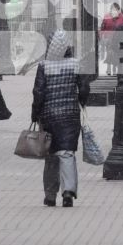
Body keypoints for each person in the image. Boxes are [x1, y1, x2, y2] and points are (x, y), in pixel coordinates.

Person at [31, 30, 84, 207]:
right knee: (67, 153)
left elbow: (38, 92)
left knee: (51, 155)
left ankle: (50, 194)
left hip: (49, 115)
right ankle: (68, 191)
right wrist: (81, 103)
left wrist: (35, 113)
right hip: (70, 115)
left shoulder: (44, 66)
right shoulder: (76, 64)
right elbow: (84, 89)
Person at [99, 3, 123, 75]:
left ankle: (114, 69)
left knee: (116, 54)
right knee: (109, 53)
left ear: (118, 10)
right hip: (108, 39)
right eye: (113, 9)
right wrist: (102, 38)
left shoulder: (121, 17)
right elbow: (102, 28)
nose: (114, 10)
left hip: (118, 39)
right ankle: (109, 68)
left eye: (116, 9)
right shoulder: (106, 16)